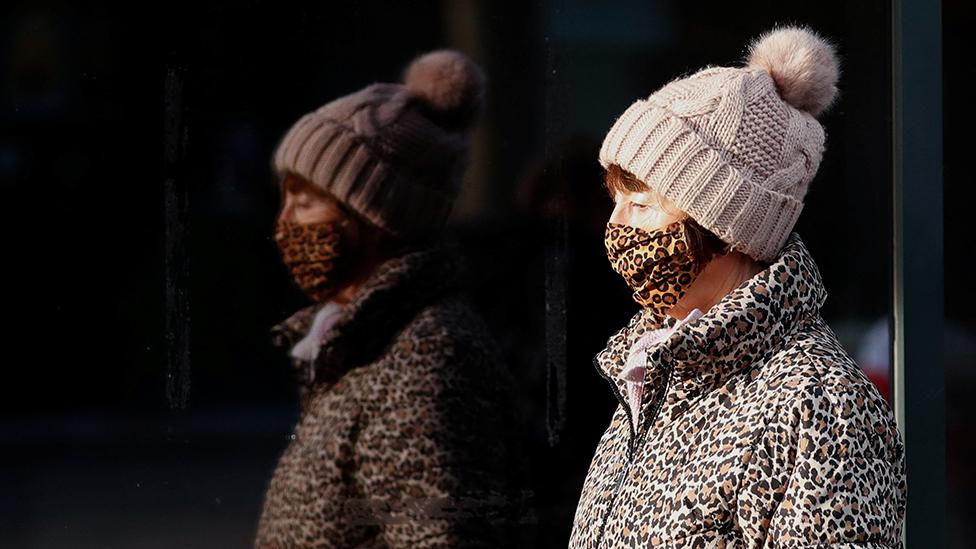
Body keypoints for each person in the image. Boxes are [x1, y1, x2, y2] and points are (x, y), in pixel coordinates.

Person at [569, 27, 906, 547]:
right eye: (616, 201)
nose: (615, 225)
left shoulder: (820, 406)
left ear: (726, 228)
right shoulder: (654, 374)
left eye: (640, 204)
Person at [255, 50, 517, 548]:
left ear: (373, 217)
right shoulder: (357, 341)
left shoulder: (423, 360)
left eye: (305, 201)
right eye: (284, 198)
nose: (283, 222)